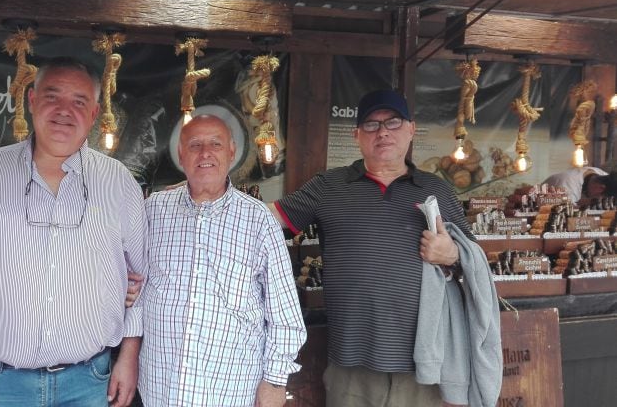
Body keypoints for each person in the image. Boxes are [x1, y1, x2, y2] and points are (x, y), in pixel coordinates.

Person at [0, 57, 146, 407]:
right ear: (31, 100)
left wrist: (129, 358)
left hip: (88, 382)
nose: (64, 111)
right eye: (52, 96)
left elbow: (141, 278)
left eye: (79, 101)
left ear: (94, 112)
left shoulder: (119, 183)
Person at [267, 90, 500, 407]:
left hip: (422, 364)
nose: (383, 132)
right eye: (372, 125)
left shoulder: (437, 190)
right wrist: (202, 194)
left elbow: (475, 266)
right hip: (351, 364)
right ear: (356, 135)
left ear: (411, 129)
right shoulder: (328, 186)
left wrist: (453, 255)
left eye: (393, 122)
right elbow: (264, 220)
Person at [137, 114, 306, 407]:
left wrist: (275, 381)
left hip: (230, 389)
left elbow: (285, 313)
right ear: (180, 154)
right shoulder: (153, 210)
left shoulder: (258, 219)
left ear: (231, 152)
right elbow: (135, 283)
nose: (205, 153)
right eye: (194, 145)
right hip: (161, 386)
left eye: (215, 144)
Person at [543, 166, 611, 203]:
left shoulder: (602, 175)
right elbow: (569, 217)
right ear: (601, 188)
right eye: (604, 198)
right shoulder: (568, 186)